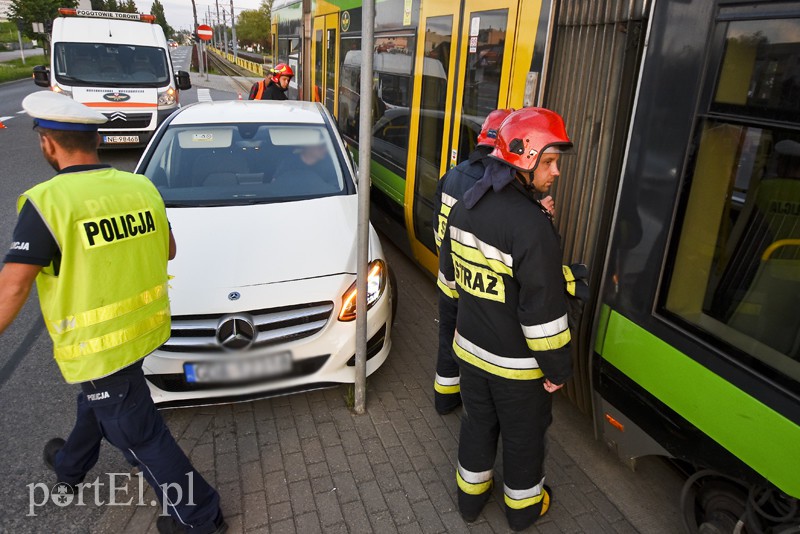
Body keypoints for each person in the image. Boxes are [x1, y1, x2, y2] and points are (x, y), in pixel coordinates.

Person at [0, 92, 226, 534]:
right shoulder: (140, 186)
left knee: (140, 436)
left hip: (99, 348)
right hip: (144, 331)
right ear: (97, 139)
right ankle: (69, 466)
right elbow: (170, 250)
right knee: (101, 403)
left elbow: (13, 286)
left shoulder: (47, 203)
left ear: (48, 143)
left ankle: (200, 517)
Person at [437, 107, 574, 531]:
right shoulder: (532, 226)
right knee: (523, 439)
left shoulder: (465, 208)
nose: (555, 174)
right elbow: (542, 315)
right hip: (517, 371)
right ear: (525, 157)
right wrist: (557, 370)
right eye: (549, 162)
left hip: (470, 356)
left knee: (477, 427)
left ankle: (470, 502)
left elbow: (449, 281)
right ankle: (522, 510)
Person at [430, 108, 513, 415]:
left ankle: (444, 397)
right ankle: (474, 407)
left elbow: (437, 226)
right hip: (473, 283)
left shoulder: (452, 175)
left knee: (445, 335)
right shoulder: (499, 188)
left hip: (447, 276)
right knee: (472, 346)